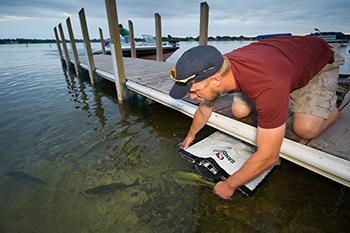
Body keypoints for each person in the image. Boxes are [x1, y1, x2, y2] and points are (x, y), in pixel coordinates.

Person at [168, 36, 344, 199]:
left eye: (194, 91)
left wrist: (229, 185)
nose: (191, 96)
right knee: (239, 111)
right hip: (282, 62)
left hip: (318, 62)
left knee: (306, 129)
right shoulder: (218, 65)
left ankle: (331, 108)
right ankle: (287, 88)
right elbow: (204, 108)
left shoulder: (267, 85)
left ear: (216, 80)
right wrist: (190, 136)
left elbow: (269, 156)